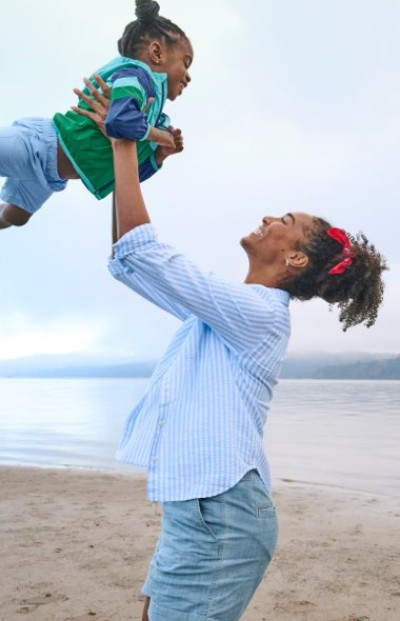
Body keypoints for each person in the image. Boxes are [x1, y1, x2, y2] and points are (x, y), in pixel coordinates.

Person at [77, 87, 387, 620]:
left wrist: (126, 145)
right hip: (201, 511)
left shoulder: (261, 315)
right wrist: (121, 152)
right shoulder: (231, 311)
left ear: (293, 257)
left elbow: (147, 254)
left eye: (284, 220)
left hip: (219, 518)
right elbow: (129, 260)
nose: (268, 216)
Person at [0, 0, 193, 230]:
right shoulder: (136, 76)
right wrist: (160, 137)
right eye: (186, 62)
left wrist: (159, 155)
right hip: (39, 146)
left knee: (15, 218)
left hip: (51, 175)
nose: (188, 77)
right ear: (156, 52)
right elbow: (120, 121)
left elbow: (127, 176)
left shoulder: (152, 118)